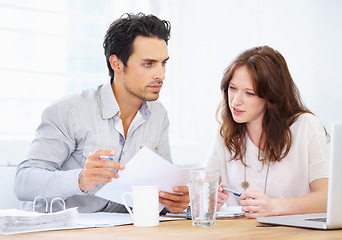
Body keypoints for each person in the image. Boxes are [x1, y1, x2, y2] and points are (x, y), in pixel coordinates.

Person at [14, 13, 189, 214]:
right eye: (148, 64)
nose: (161, 74)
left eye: (163, 63)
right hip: (59, 230)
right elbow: (23, 182)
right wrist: (80, 179)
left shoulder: (158, 115)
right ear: (117, 64)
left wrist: (173, 201)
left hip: (118, 230)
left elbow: (161, 191)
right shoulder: (69, 111)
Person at [206, 46, 329, 218]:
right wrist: (211, 200)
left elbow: (326, 198)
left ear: (271, 98)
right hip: (241, 234)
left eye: (249, 93)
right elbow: (204, 187)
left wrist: (274, 207)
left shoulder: (305, 126)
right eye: (232, 88)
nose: (235, 101)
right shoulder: (225, 133)